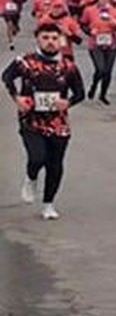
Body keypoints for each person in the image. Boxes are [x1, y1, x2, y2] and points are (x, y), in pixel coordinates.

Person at [3, 23, 86, 219]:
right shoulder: (25, 62)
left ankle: (49, 204)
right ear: (38, 39)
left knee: (55, 164)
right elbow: (7, 77)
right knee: (37, 157)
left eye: (54, 38)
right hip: (31, 120)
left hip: (58, 123)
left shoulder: (68, 66)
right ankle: (31, 178)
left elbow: (80, 93)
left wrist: (68, 103)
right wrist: (17, 98)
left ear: (60, 41)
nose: (50, 42)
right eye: (46, 38)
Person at [80, 0, 116, 104]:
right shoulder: (89, 10)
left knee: (108, 71)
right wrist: (90, 32)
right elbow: (83, 24)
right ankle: (94, 86)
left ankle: (103, 94)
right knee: (100, 69)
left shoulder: (115, 11)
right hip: (95, 44)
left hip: (111, 45)